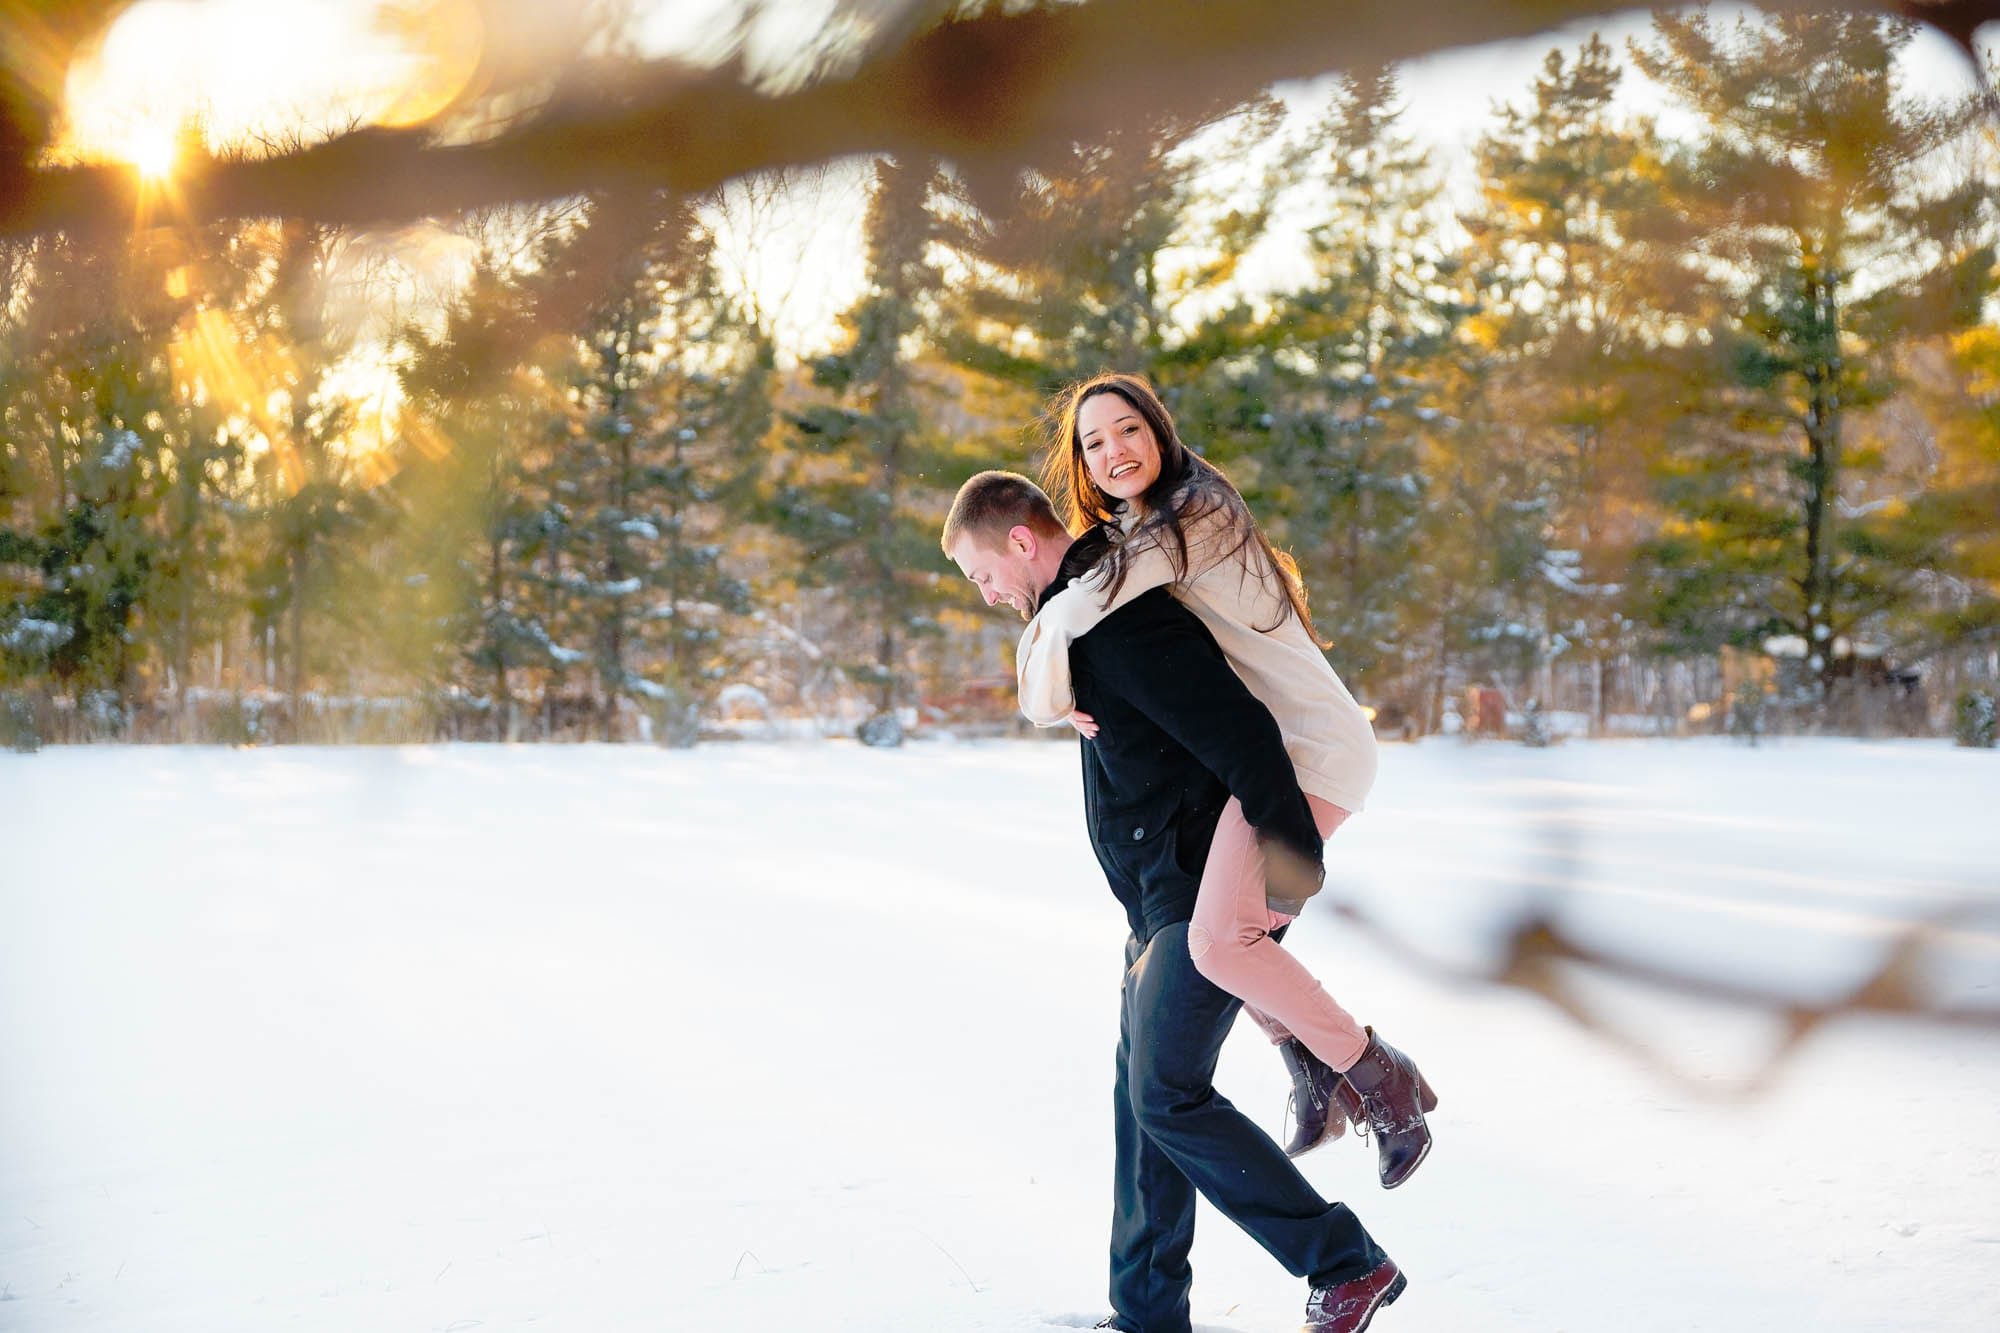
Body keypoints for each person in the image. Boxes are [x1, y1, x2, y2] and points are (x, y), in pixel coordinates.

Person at [941, 470, 1410, 1333]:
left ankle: (1346, 1262)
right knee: (1141, 1097)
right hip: (1155, 899)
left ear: (1017, 540)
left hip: (1195, 896)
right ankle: (1148, 1311)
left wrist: (1286, 865)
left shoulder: (1117, 616)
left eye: (982, 573)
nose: (987, 593)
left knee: (1167, 1095)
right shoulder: (1078, 621)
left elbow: (1240, 733)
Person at [1017, 373, 1437, 1190]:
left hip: (1312, 749)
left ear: (1159, 431)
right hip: (1266, 754)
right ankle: (1313, 1067)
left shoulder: (1194, 512)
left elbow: (1074, 610)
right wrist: (1061, 683)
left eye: (1126, 429)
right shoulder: (1139, 529)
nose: (1112, 451)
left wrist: (1054, 662)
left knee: (1216, 940)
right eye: (1093, 442)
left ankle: (1379, 1076)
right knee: (1205, 921)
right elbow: (1058, 651)